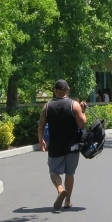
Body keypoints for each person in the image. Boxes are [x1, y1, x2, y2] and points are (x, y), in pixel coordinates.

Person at [38, 79, 87, 211]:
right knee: (70, 173)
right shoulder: (74, 105)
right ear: (67, 90)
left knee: (53, 172)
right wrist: (83, 111)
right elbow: (82, 123)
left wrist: (41, 140)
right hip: (73, 145)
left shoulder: (47, 106)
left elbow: (41, 125)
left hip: (55, 145)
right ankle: (68, 201)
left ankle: (60, 189)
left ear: (55, 90)